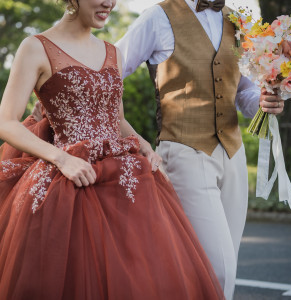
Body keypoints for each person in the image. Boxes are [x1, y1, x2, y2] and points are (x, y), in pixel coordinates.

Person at [0, 0, 225, 299]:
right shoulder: (36, 47)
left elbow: (115, 119)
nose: (110, 2)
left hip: (127, 180)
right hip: (68, 181)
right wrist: (61, 158)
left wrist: (144, 145)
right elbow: (6, 122)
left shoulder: (113, 52)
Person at [114, 0, 285, 299]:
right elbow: (110, 70)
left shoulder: (239, 21)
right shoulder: (158, 17)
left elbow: (243, 89)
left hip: (233, 154)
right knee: (217, 268)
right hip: (184, 152)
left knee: (226, 263)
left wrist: (262, 100)